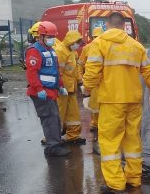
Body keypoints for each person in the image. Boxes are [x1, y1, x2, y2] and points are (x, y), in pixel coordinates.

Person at [83, 12, 150, 194]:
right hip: (133, 100)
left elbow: (92, 72)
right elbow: (148, 71)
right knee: (132, 139)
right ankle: (134, 178)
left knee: (110, 141)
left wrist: (87, 89)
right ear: (125, 26)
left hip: (111, 100)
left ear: (106, 25)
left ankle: (116, 184)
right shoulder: (136, 46)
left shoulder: (99, 44)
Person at [25, 21, 69, 157]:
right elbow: (31, 73)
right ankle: (52, 147)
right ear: (41, 36)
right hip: (41, 92)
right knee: (49, 119)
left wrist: (60, 86)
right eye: (49, 36)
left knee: (54, 118)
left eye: (53, 36)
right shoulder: (35, 51)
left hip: (51, 91)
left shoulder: (51, 51)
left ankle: (55, 142)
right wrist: (39, 89)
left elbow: (55, 71)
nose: (52, 39)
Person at [54, 30, 86, 145]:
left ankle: (73, 135)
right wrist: (60, 86)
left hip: (71, 88)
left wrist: (80, 82)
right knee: (59, 112)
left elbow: (76, 69)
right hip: (62, 88)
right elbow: (57, 72)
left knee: (73, 113)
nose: (78, 45)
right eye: (77, 42)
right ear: (71, 41)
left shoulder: (73, 52)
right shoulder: (60, 51)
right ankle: (53, 138)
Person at [78, 26, 104, 133]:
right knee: (93, 105)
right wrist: (81, 79)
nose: (96, 39)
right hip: (93, 81)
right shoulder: (86, 48)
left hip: (103, 81)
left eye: (98, 37)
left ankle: (101, 124)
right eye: (94, 37)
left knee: (103, 104)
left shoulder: (105, 47)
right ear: (91, 37)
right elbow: (80, 64)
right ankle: (95, 123)